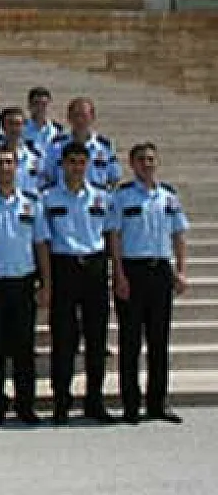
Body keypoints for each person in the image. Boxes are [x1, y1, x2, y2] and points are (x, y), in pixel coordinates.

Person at [0, 147, 50, 426]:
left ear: (17, 167)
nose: (5, 168)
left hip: (23, 283)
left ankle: (26, 405)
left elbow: (41, 245)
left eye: (9, 162)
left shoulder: (32, 204)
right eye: (0, 163)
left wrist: (46, 283)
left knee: (24, 348)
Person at [110, 143, 189, 424]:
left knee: (159, 341)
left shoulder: (168, 196)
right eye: (141, 159)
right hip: (133, 271)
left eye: (151, 159)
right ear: (132, 164)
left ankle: (157, 403)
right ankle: (131, 404)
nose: (147, 164)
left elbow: (179, 234)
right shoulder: (122, 196)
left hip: (160, 271)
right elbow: (115, 236)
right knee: (130, 341)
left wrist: (180, 270)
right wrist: (118, 274)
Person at [39, 142, 116, 425]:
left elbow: (111, 235)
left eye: (82, 162)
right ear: (62, 165)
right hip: (64, 266)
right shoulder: (48, 198)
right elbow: (43, 241)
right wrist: (46, 281)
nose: (77, 167)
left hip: (94, 267)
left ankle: (95, 400)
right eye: (71, 161)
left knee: (96, 338)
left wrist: (115, 270)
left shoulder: (102, 198)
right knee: (63, 339)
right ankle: (61, 400)